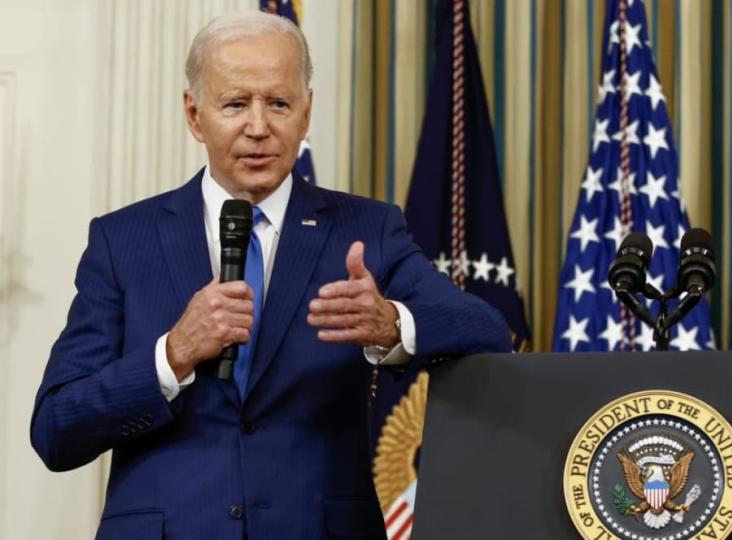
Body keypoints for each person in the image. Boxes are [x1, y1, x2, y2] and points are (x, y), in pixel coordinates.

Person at [30, 11, 511, 540]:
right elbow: (56, 430)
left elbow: (488, 330)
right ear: (195, 114)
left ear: (306, 114)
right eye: (235, 104)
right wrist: (172, 355)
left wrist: (393, 326)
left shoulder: (367, 230)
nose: (259, 128)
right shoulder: (123, 241)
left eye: (279, 103)